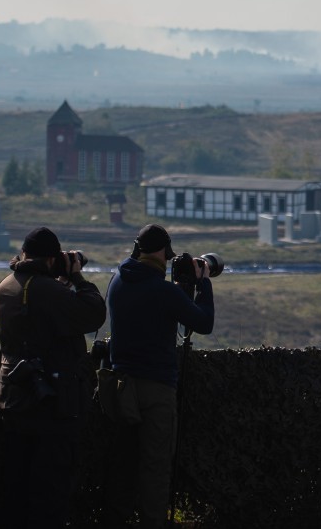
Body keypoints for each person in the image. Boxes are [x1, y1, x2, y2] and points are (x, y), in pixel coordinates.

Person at [101, 223, 215, 529]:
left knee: (122, 463)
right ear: (164, 252)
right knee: (155, 467)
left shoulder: (117, 281)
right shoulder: (164, 292)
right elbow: (203, 323)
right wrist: (203, 283)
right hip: (156, 388)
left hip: (120, 385)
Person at [0, 226, 105, 529]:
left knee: (16, 486)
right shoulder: (47, 291)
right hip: (52, 406)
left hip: (15, 399)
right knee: (50, 490)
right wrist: (78, 278)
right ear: (52, 259)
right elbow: (94, 313)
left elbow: (40, 321)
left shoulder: (6, 286)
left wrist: (59, 282)